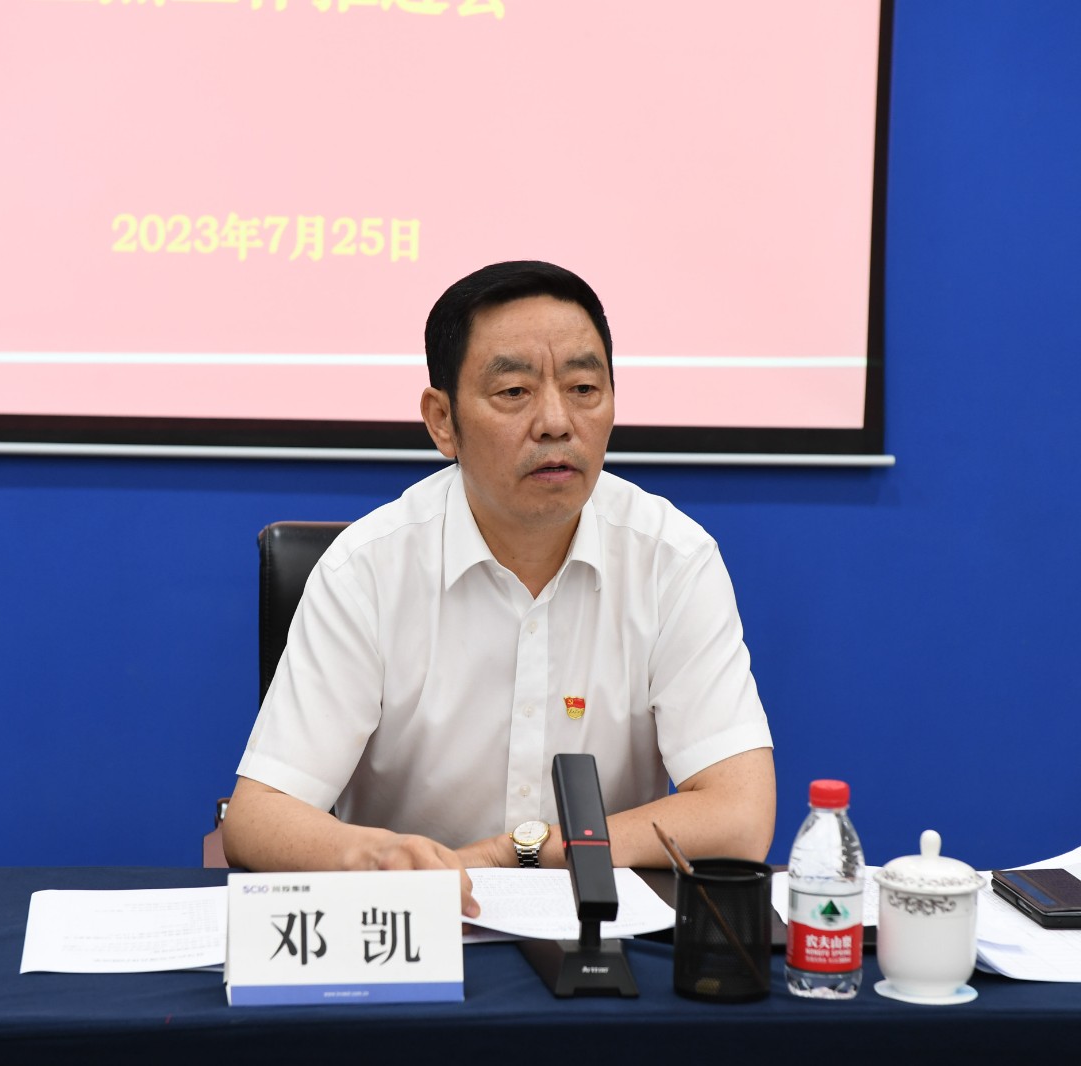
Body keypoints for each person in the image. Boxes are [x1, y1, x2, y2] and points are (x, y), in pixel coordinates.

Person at [222, 261, 775, 916]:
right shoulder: (367, 570)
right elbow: (258, 815)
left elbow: (739, 814)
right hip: (418, 931)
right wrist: (375, 858)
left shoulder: (671, 560)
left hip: (599, 929)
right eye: (514, 391)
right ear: (442, 420)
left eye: (584, 388)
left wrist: (516, 851)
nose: (556, 422)